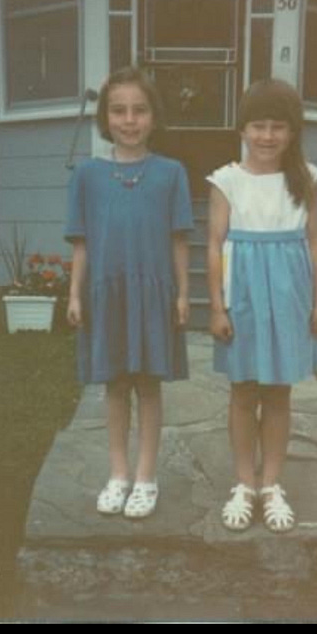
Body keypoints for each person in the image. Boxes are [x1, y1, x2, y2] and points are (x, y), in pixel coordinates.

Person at [65, 67, 194, 519]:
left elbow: (180, 239)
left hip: (153, 293)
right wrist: (75, 295)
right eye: (119, 110)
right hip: (108, 294)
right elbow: (80, 241)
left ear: (153, 117)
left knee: (149, 385)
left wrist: (182, 294)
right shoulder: (87, 176)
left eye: (139, 110)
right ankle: (118, 473)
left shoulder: (171, 173)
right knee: (115, 386)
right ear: (106, 118)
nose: (129, 119)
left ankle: (145, 477)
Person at [207, 79, 317, 534]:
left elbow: (315, 243)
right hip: (242, 295)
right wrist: (217, 306)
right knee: (243, 390)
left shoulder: (306, 179)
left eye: (278, 127)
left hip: (289, 295)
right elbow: (214, 245)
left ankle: (271, 484)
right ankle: (244, 483)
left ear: (292, 132)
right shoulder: (226, 180)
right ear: (243, 128)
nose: (267, 136)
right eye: (258, 126)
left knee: (278, 391)